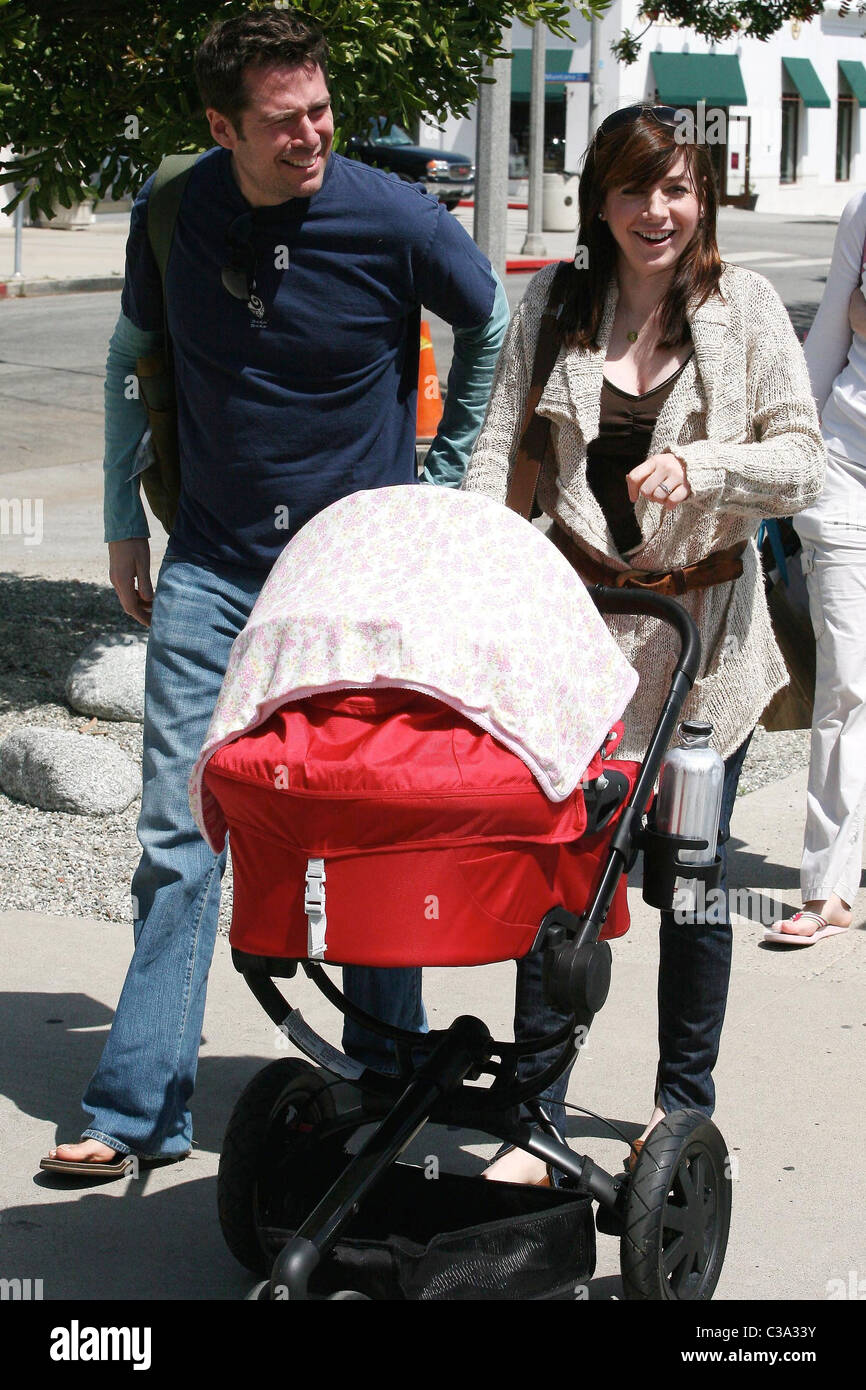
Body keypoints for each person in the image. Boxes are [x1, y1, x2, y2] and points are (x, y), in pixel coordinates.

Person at [42, 6, 507, 1174]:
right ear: (221, 126)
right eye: (282, 122)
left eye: (320, 112)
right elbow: (124, 363)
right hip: (213, 563)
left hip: (359, 581)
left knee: (368, 828)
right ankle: (134, 1109)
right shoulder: (173, 212)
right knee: (178, 832)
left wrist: (437, 479)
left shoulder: (391, 213)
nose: (311, 135)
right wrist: (117, 528)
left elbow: (489, 321)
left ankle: (383, 1094)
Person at [461, 104, 825, 1184]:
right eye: (633, 189)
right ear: (599, 201)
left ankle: (680, 1110)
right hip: (575, 645)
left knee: (694, 889)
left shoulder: (744, 305)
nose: (655, 211)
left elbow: (800, 460)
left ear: (699, 197)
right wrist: (476, 548)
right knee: (562, 879)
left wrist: (705, 467)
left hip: (705, 646)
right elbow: (496, 445)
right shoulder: (559, 300)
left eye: (674, 189)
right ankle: (533, 1114)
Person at [766, 191, 866, 945]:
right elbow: (832, 329)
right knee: (846, 684)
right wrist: (793, 454)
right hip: (850, 469)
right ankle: (829, 885)